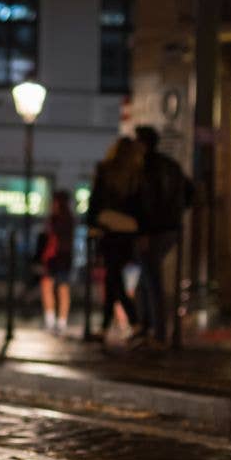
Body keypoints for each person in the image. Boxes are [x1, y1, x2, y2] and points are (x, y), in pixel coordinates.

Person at [132, 125, 191, 345]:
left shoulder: (147, 167)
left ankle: (157, 332)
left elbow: (148, 202)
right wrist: (176, 214)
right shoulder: (171, 165)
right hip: (170, 228)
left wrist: (145, 231)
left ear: (143, 143)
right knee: (146, 279)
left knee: (152, 280)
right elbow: (189, 192)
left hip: (154, 230)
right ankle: (147, 327)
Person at [86, 136, 145, 348]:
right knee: (113, 277)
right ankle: (108, 327)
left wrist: (92, 222)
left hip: (109, 228)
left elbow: (96, 199)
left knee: (113, 278)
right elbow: (139, 204)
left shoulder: (106, 169)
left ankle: (131, 322)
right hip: (128, 230)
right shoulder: (136, 174)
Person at [34, 189, 75, 335]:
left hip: (54, 257)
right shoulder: (69, 219)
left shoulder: (56, 219)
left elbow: (49, 240)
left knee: (49, 286)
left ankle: (52, 320)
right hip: (64, 257)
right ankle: (60, 321)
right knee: (62, 288)